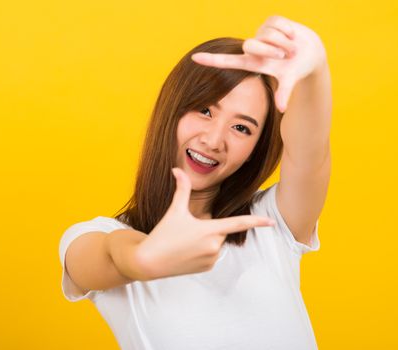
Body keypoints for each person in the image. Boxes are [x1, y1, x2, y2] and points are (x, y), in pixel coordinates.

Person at [59, 15, 331, 350]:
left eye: (242, 128)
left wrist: (314, 69)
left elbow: (310, 151)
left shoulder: (272, 223)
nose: (214, 139)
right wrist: (145, 258)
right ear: (172, 110)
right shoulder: (94, 236)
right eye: (204, 110)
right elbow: (108, 258)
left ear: (255, 150)